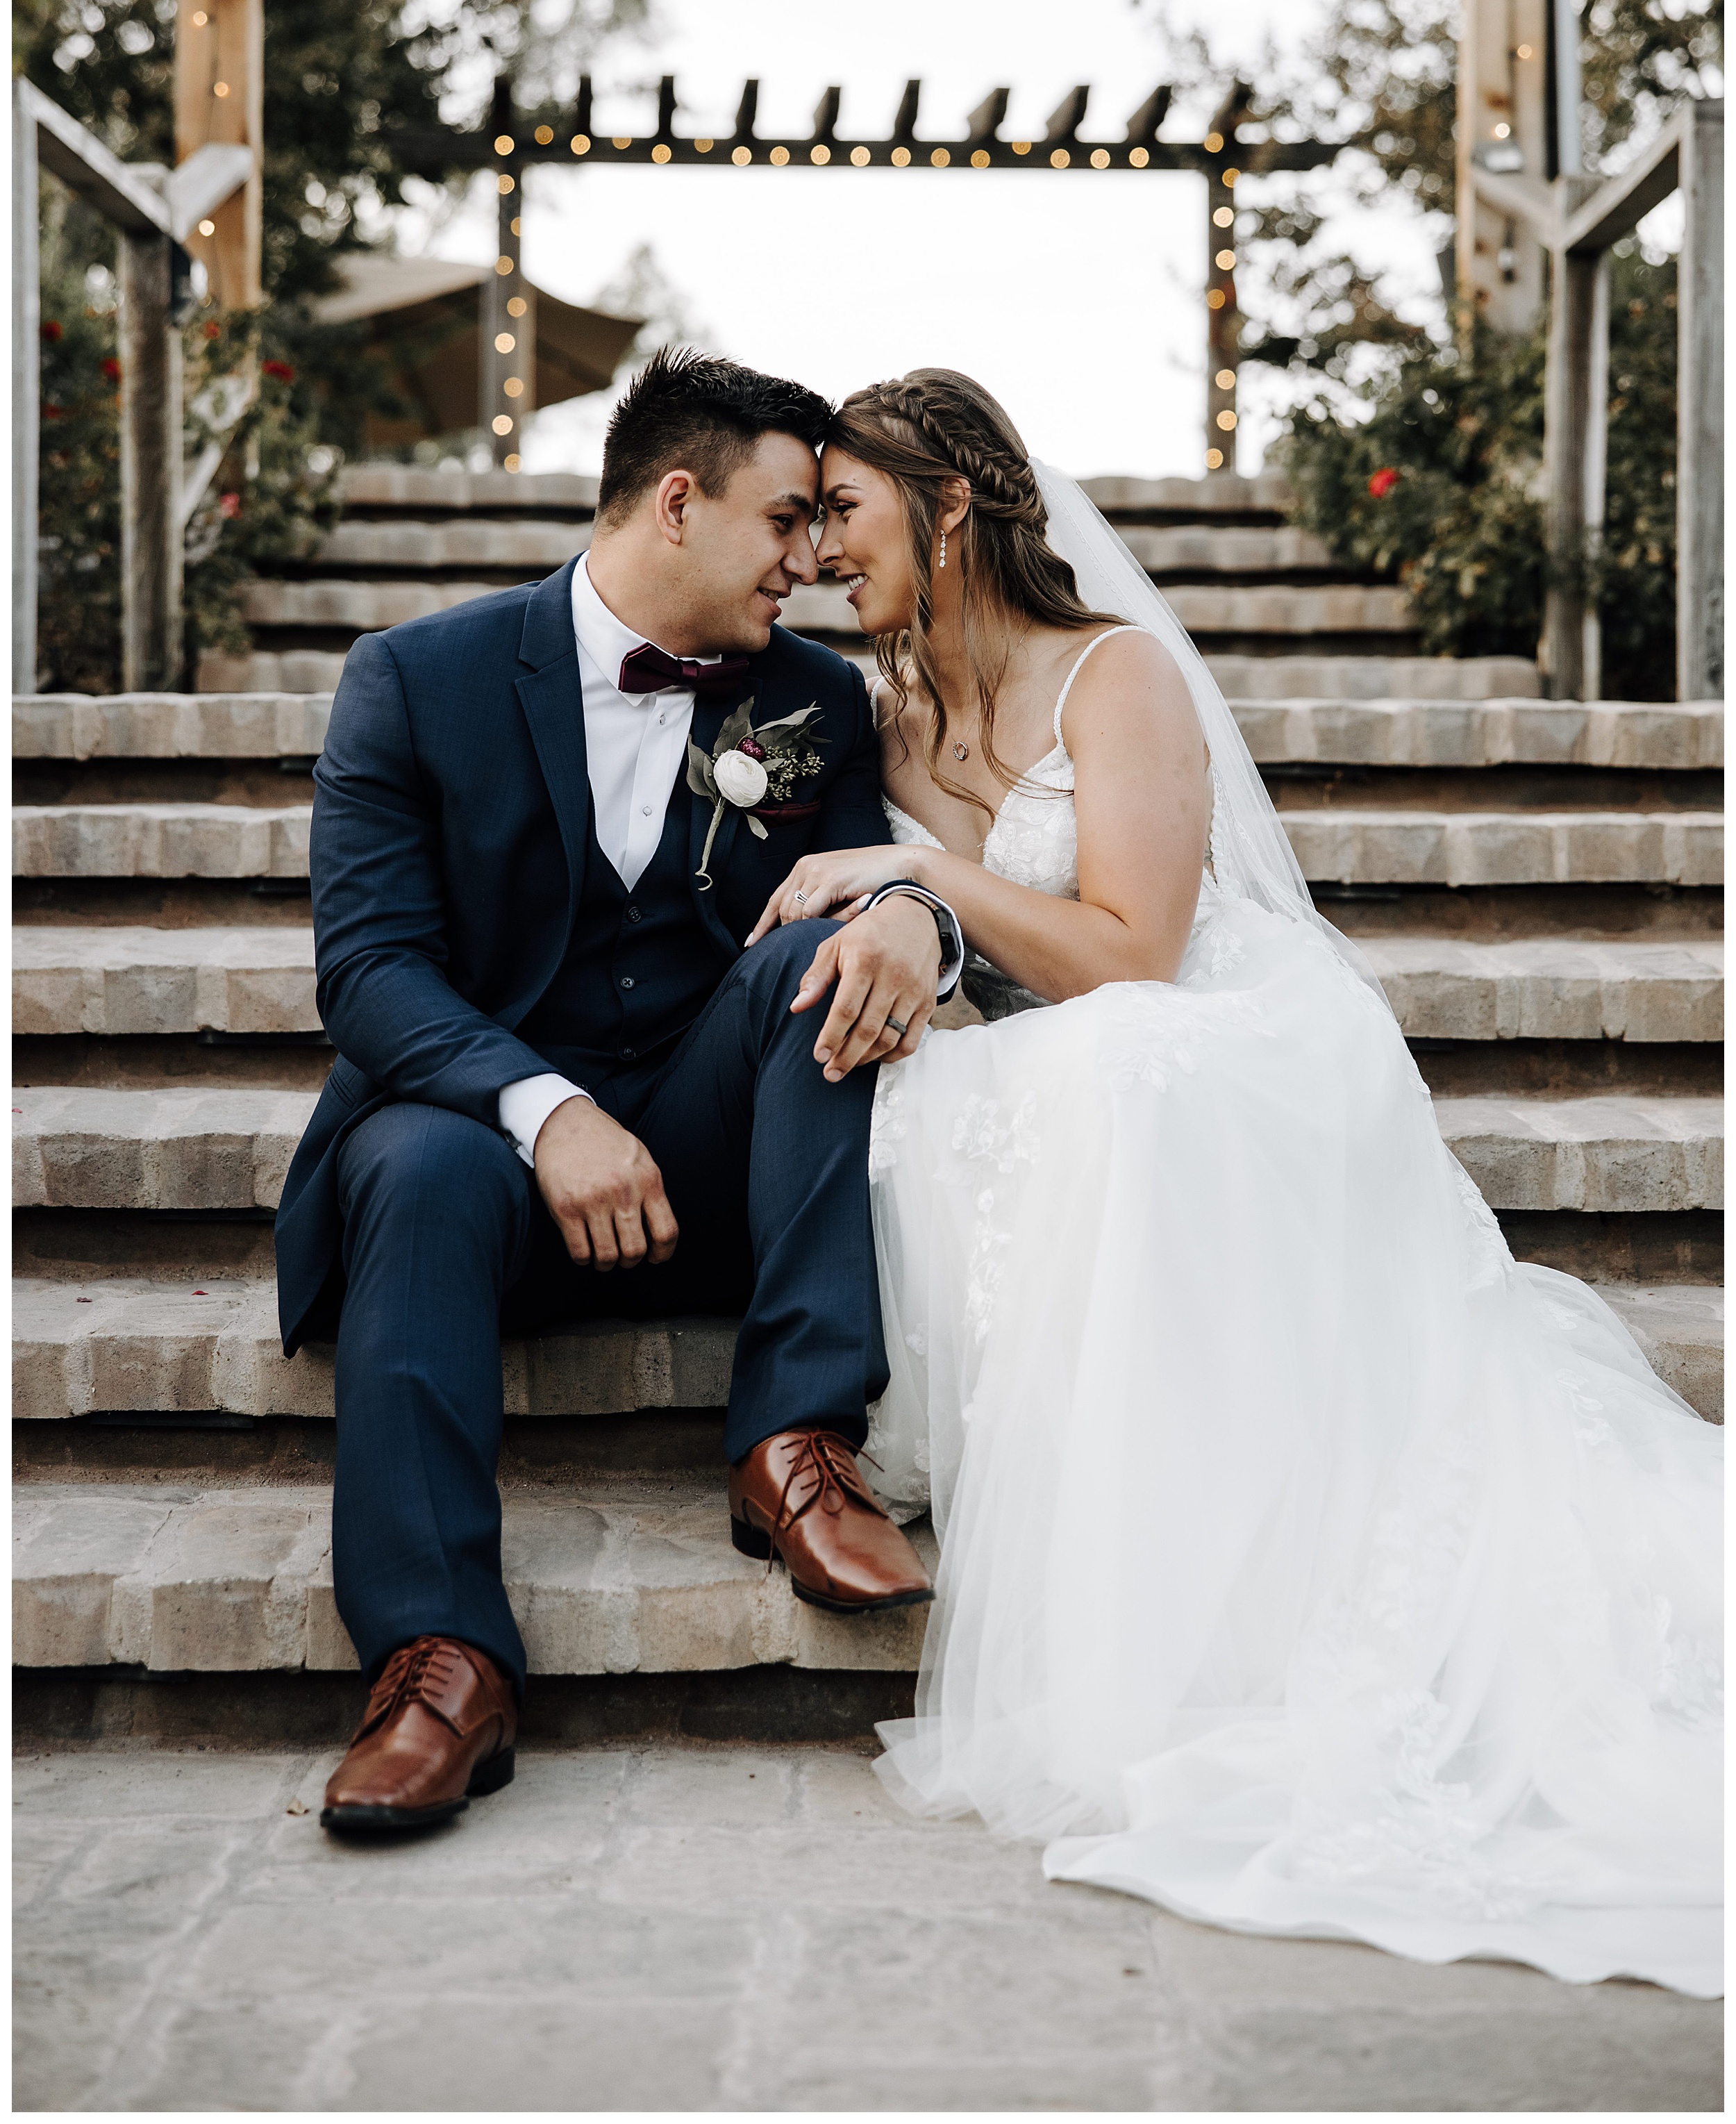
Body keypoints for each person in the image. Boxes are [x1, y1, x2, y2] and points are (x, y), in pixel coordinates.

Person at [746, 367, 1722, 1996]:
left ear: (953, 500)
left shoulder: (1112, 675)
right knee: (933, 1092)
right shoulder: (880, 716)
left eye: (845, 507)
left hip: (1211, 1028)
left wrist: (925, 869)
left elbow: (1137, 950)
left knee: (1126, 1076)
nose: (825, 547)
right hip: (1039, 1031)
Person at [276, 350, 965, 1837]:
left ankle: (793, 1442)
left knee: (823, 965)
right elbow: (374, 975)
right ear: (676, 502)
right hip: (487, 1163)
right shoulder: (415, 677)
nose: (815, 561)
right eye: (786, 522)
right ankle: (438, 1661)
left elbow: (861, 893)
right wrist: (544, 1111)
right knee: (411, 1162)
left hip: (720, 1158)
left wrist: (910, 912)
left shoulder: (815, 704)